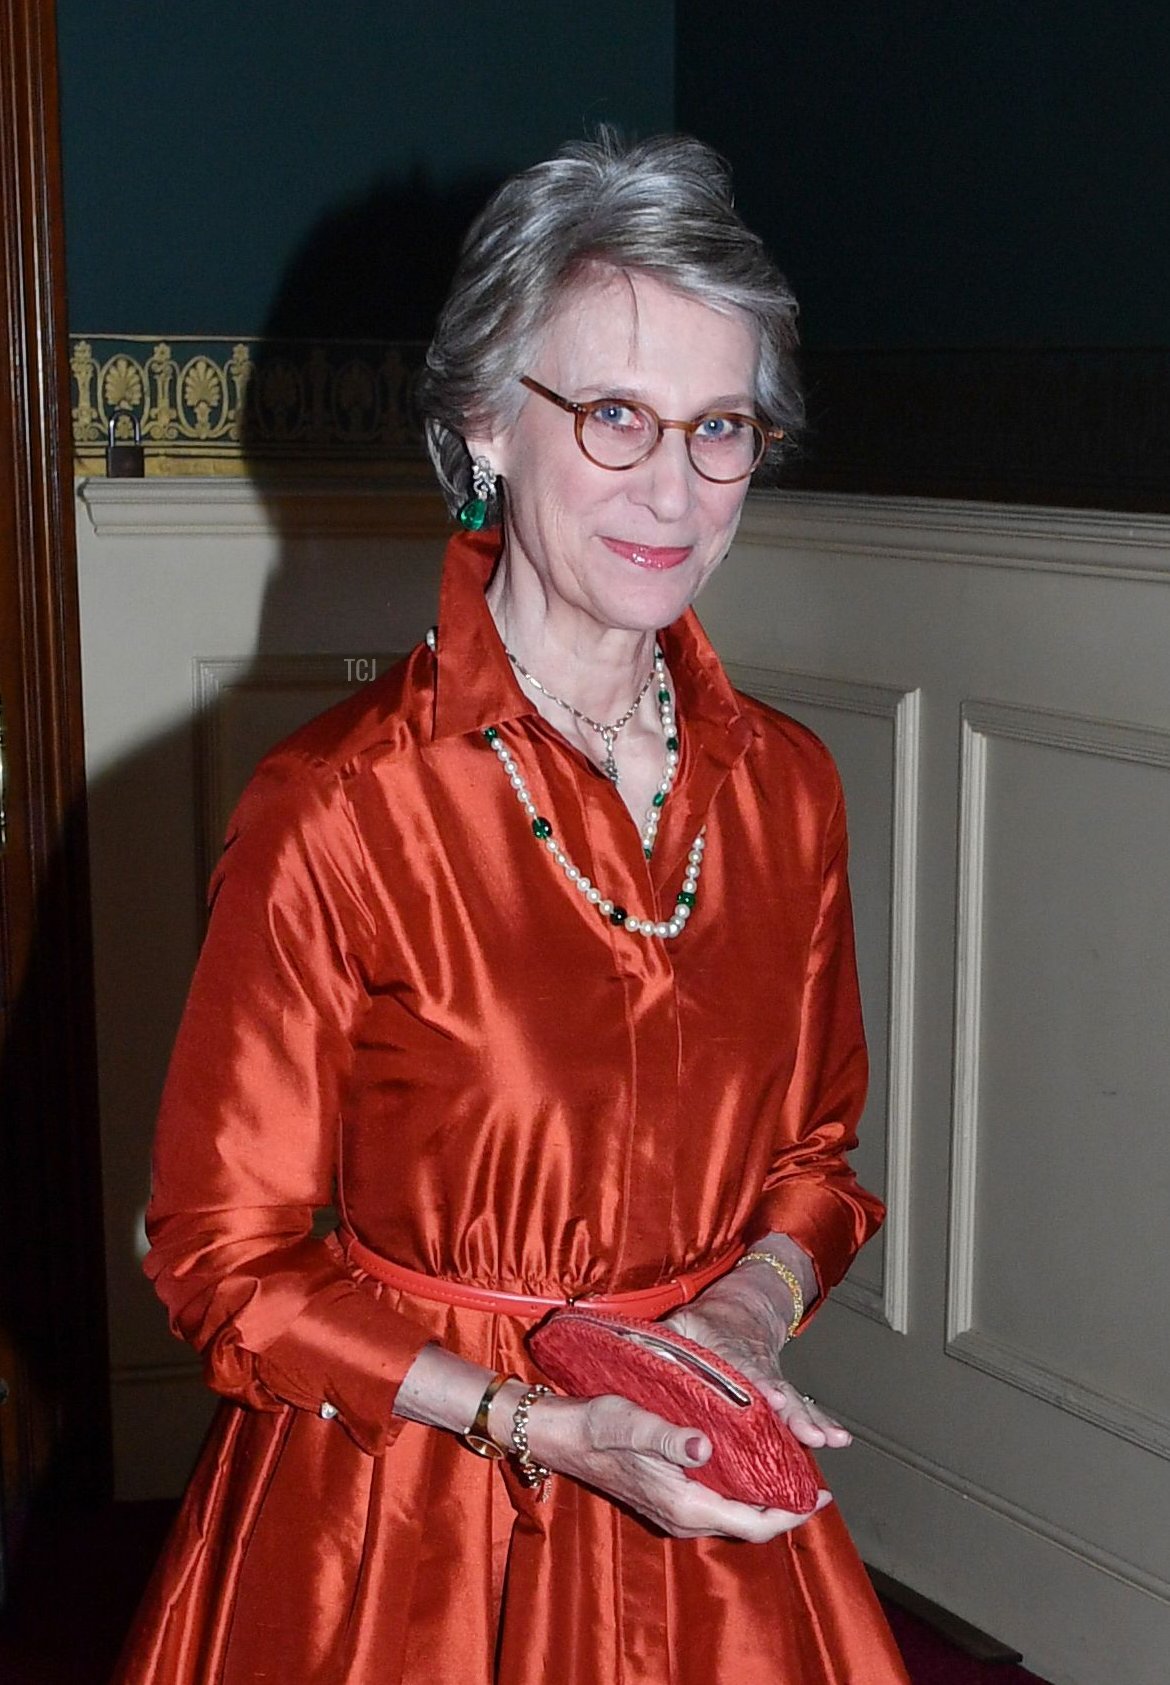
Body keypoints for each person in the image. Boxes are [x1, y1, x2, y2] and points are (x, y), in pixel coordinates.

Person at [115, 132, 909, 1684]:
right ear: (485, 422)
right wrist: (543, 1418)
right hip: (408, 1526)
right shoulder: (339, 806)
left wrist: (742, 1315)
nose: (672, 489)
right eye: (614, 415)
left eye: (720, 426)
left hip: (700, 1496)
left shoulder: (787, 788)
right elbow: (222, 1256)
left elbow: (817, 1163)